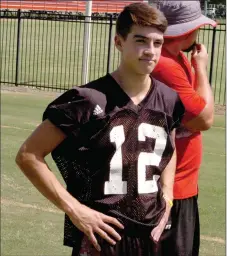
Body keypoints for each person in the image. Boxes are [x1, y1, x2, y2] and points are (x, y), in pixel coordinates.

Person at [15, 3, 185, 256]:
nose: (150, 51)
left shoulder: (170, 100)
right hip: (101, 236)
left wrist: (168, 196)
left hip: (150, 233)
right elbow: (28, 155)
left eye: (157, 43)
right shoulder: (87, 100)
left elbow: (168, 149)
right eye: (141, 41)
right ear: (118, 42)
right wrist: (75, 210)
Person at [152, 1, 217, 255]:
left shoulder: (176, 58)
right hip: (172, 190)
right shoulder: (166, 65)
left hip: (181, 185)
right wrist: (201, 68)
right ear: (187, 30)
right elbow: (204, 119)